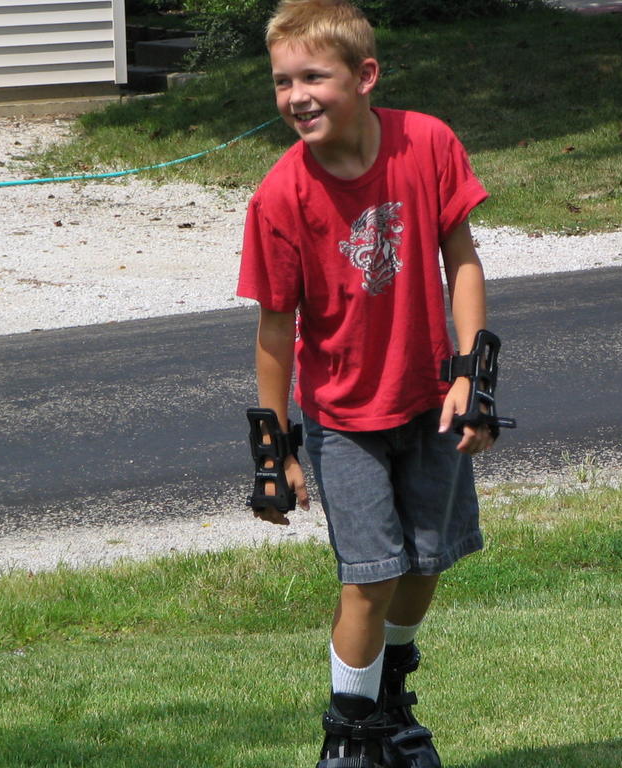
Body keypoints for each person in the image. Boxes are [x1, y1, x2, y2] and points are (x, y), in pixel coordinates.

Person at [236, 1, 499, 765]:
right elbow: (275, 332)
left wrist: (471, 377)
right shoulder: (281, 197)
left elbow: (462, 259)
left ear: (365, 76)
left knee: (427, 562)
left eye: (313, 77)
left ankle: (388, 702)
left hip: (430, 401)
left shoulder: (427, 143)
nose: (296, 96)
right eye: (282, 82)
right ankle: (348, 740)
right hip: (344, 419)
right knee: (371, 578)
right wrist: (275, 450)